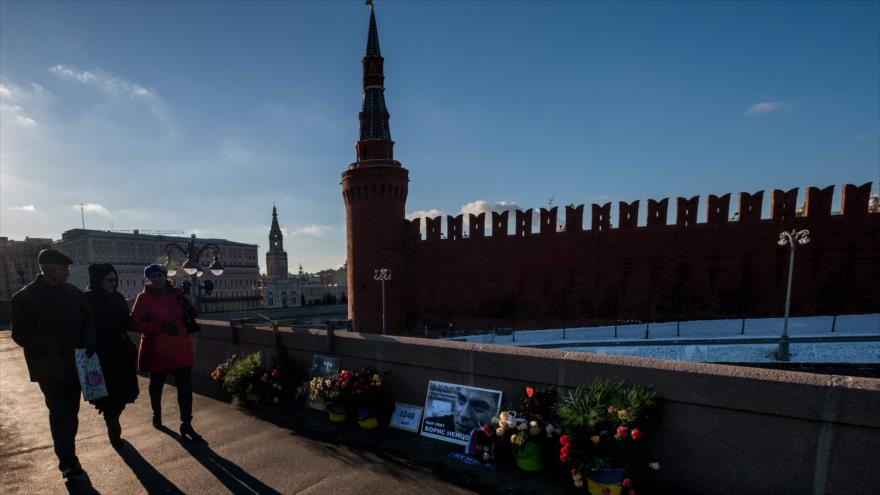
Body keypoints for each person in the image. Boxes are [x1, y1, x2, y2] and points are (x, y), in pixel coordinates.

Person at [10, 249, 94, 479]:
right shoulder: (24, 297)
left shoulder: (73, 293)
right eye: (64, 268)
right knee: (59, 412)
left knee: (71, 412)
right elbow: (20, 334)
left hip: (75, 364)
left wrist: (89, 340)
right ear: (48, 269)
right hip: (49, 367)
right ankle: (67, 461)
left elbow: (89, 319)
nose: (68, 272)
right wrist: (54, 344)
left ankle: (68, 453)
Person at [131, 263, 202, 441]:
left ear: (165, 276)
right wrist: (159, 327)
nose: (156, 279)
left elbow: (194, 313)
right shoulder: (143, 298)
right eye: (152, 276)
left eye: (159, 275)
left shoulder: (177, 294)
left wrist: (185, 300)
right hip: (157, 351)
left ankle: (186, 424)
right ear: (149, 279)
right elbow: (134, 323)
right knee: (156, 386)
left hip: (181, 349)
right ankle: (157, 414)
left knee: (185, 389)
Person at [84, 263, 139, 449]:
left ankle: (112, 418)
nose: (113, 283)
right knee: (108, 396)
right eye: (109, 280)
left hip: (121, 353)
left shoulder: (118, 297)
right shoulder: (88, 298)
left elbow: (127, 322)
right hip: (100, 355)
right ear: (98, 280)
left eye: (115, 280)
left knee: (123, 394)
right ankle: (113, 427)